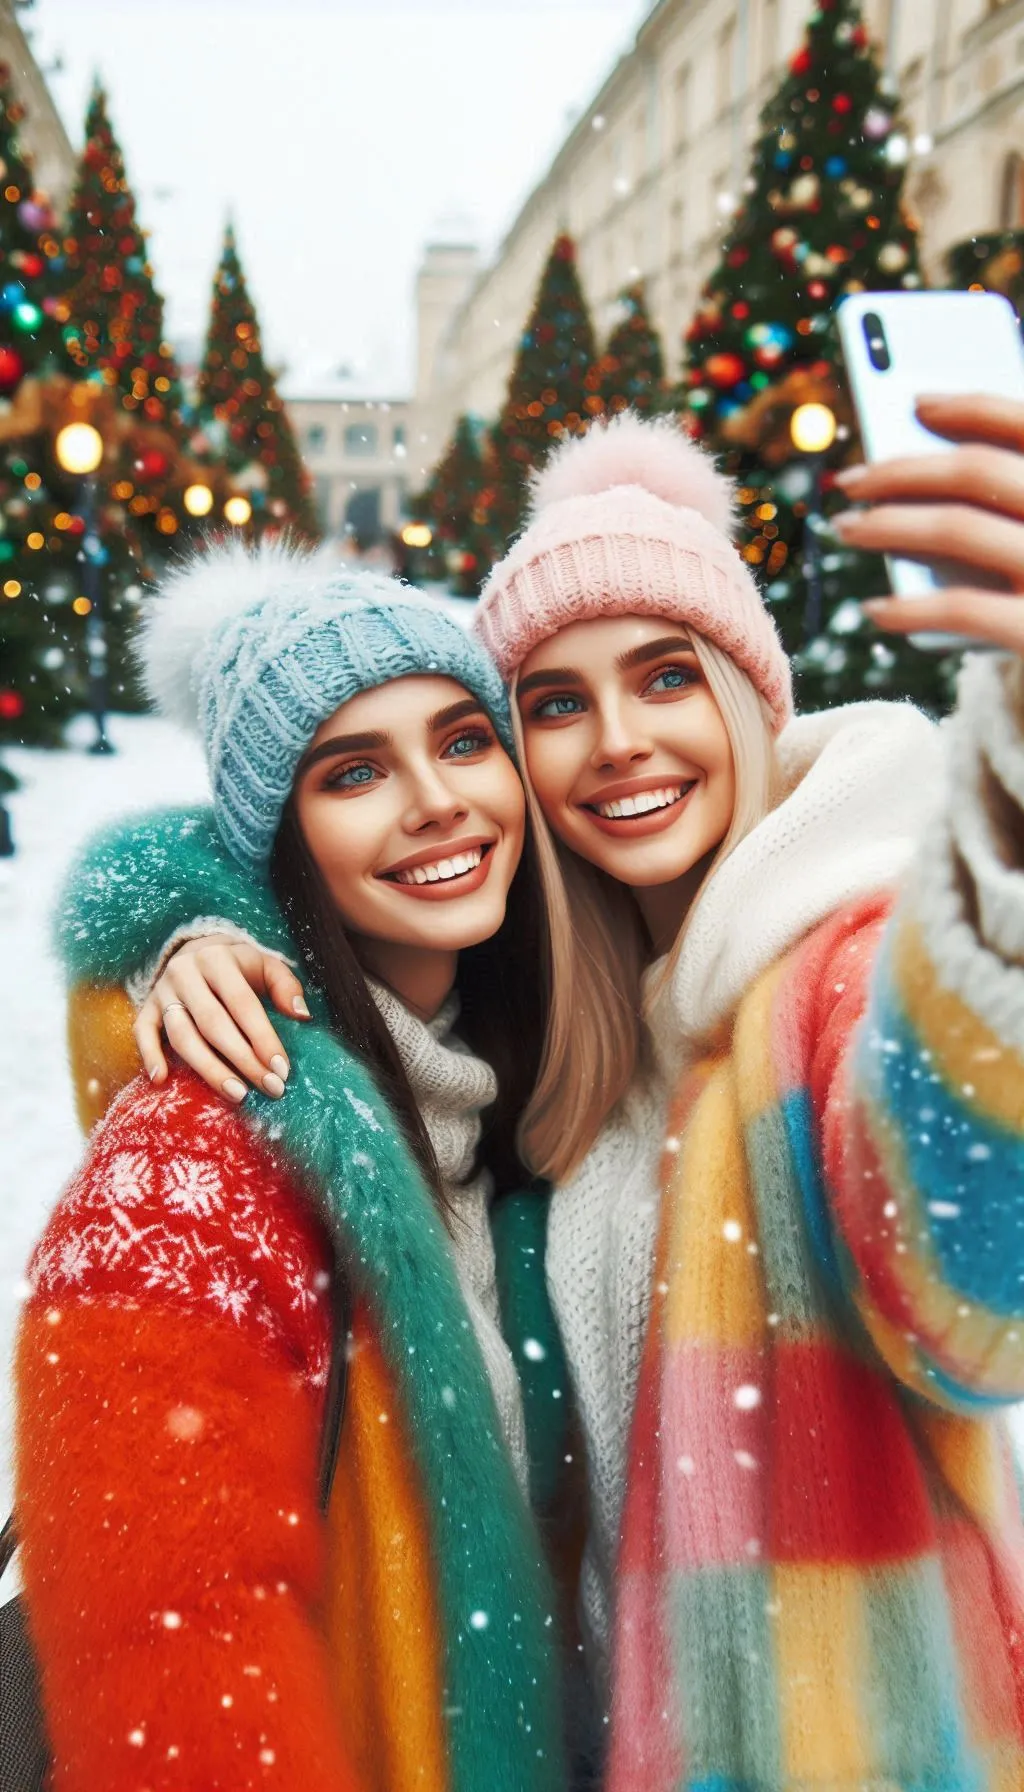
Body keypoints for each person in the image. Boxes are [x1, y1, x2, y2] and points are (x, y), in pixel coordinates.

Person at [53, 395, 1024, 1791]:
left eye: (668, 676)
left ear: (754, 695)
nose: (617, 741)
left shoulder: (848, 971)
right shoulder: (555, 1046)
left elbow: (976, 1291)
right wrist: (173, 929)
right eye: (555, 704)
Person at [14, 545, 569, 1792]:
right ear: (278, 833)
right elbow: (169, 1676)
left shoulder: (531, 1082)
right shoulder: (185, 1166)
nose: (435, 800)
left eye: (465, 739)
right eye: (355, 770)